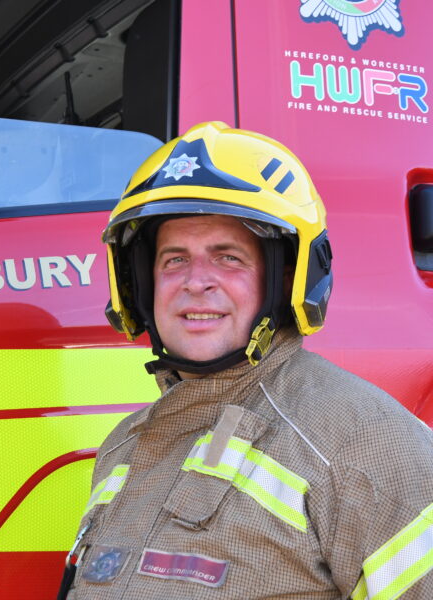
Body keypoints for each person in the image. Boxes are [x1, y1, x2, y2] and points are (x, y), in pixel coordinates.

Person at [58, 122, 433, 599]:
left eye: (228, 257)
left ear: (286, 278)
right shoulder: (122, 449)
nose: (196, 281)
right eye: (174, 259)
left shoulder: (363, 445)